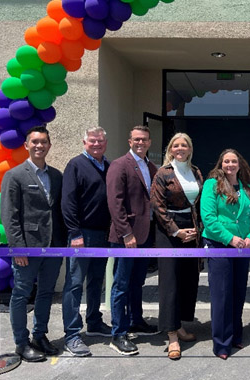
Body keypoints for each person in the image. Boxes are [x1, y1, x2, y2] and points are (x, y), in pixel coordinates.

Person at [1, 126, 65, 362]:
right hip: (27, 247)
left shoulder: (56, 175)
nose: (40, 146)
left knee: (46, 292)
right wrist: (18, 247)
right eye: (35, 142)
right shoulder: (15, 175)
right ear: (26, 145)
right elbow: (9, 214)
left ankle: (40, 335)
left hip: (53, 246)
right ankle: (21, 342)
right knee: (21, 294)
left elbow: (57, 211)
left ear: (49, 145)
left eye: (44, 142)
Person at [201, 149, 250, 360]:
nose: (230, 165)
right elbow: (208, 218)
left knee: (238, 293)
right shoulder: (211, 185)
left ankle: (236, 335)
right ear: (221, 164)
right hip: (220, 245)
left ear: (239, 164)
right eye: (226, 161)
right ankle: (222, 344)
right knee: (222, 296)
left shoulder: (248, 188)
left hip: (243, 247)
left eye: (234, 161)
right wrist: (231, 239)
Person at [107, 125, 159, 356]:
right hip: (125, 237)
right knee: (120, 284)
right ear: (130, 141)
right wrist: (126, 233)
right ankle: (118, 333)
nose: (141, 143)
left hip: (145, 236)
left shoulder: (151, 166)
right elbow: (115, 203)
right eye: (137, 139)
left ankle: (136, 320)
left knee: (137, 282)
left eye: (145, 140)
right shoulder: (120, 165)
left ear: (149, 142)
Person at [151, 133, 204, 360]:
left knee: (188, 278)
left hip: (191, 228)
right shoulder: (163, 173)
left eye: (184, 145)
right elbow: (157, 205)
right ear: (170, 149)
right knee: (170, 282)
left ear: (190, 149)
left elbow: (201, 203)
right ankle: (172, 334)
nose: (180, 148)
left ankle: (180, 324)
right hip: (168, 231)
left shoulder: (196, 172)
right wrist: (176, 230)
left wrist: (196, 229)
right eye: (176, 145)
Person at [61, 126, 112, 357]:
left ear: (105, 143)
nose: (96, 144)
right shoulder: (75, 165)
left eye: (100, 141)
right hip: (82, 234)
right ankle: (72, 333)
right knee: (74, 283)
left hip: (102, 234)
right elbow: (68, 201)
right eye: (92, 141)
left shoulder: (108, 166)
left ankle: (94, 321)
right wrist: (74, 233)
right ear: (84, 142)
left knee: (96, 281)